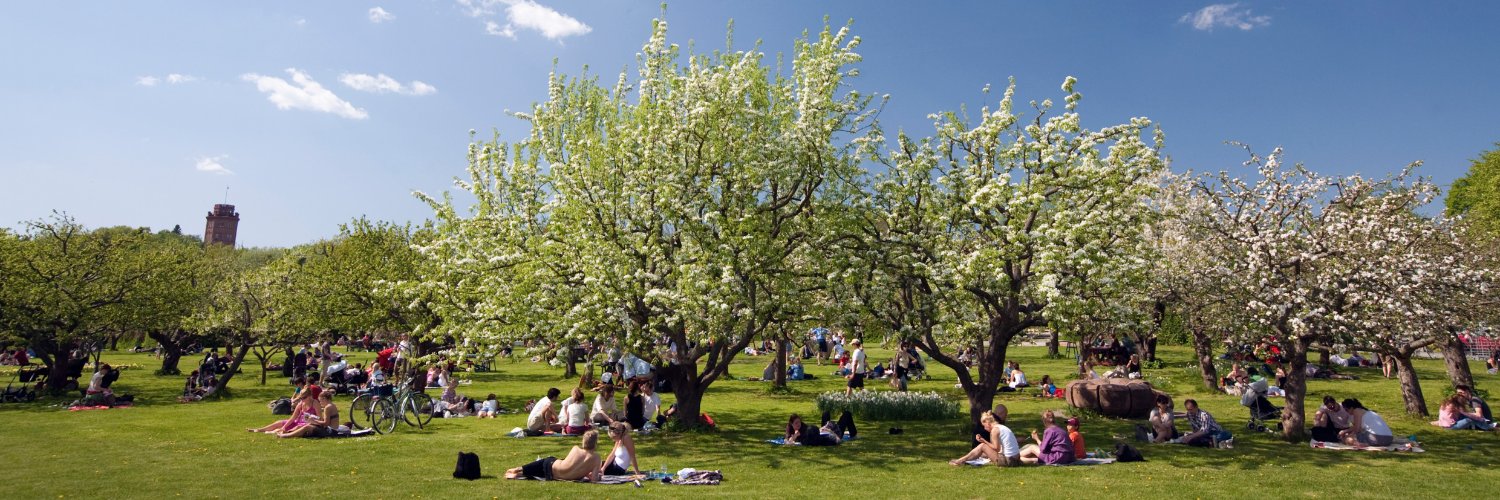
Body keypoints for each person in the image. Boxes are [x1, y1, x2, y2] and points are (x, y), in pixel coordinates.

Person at [506, 430, 603, 482]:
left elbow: (570, 464)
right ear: (595, 443)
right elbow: (594, 479)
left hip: (553, 468)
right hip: (559, 477)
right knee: (542, 471)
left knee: (544, 462)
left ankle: (520, 469)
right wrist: (594, 475)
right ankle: (519, 474)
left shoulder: (576, 449)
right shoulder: (596, 458)